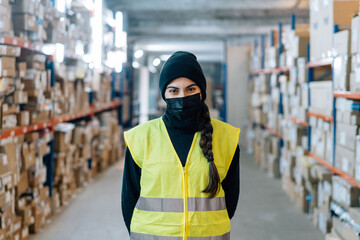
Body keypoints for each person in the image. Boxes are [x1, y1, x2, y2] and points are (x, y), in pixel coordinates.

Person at [121, 51, 240, 240]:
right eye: (174, 91)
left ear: (201, 92)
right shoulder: (141, 137)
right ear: (164, 95)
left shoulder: (226, 137)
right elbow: (129, 201)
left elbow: (230, 201)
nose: (183, 96)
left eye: (191, 89)